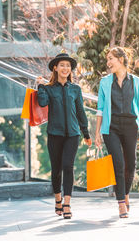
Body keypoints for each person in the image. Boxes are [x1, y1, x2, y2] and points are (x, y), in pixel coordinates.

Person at [95, 46, 139, 218]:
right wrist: (97, 133)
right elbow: (100, 109)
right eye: (108, 59)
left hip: (130, 126)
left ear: (121, 60)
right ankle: (121, 204)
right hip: (111, 127)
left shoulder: (137, 82)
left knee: (130, 164)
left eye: (111, 59)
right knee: (118, 163)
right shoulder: (105, 83)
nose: (108, 62)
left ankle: (126, 194)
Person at [36, 53, 92, 219]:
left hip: (73, 135)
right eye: (62, 65)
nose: (65, 68)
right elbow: (42, 102)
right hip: (55, 134)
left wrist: (86, 133)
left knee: (68, 166)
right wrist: (40, 86)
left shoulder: (75, 89)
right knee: (56, 170)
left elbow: (81, 112)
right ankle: (58, 199)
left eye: (68, 66)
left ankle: (67, 203)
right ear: (55, 67)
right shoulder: (48, 88)